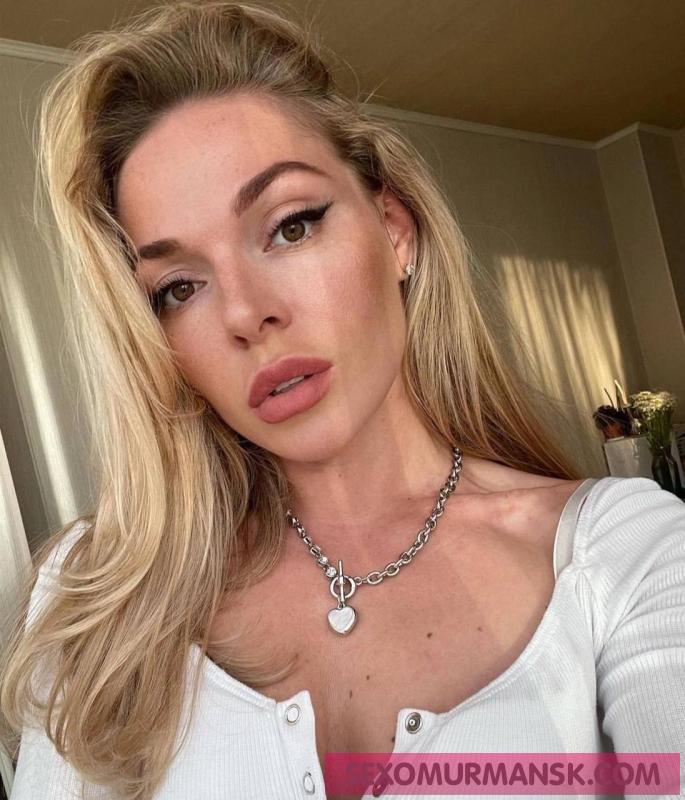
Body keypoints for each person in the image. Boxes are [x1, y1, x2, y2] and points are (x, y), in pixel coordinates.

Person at [1, 3, 683, 799]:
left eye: (290, 227)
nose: (245, 314)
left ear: (394, 231)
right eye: (178, 287)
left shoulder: (625, 554)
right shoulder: (102, 596)